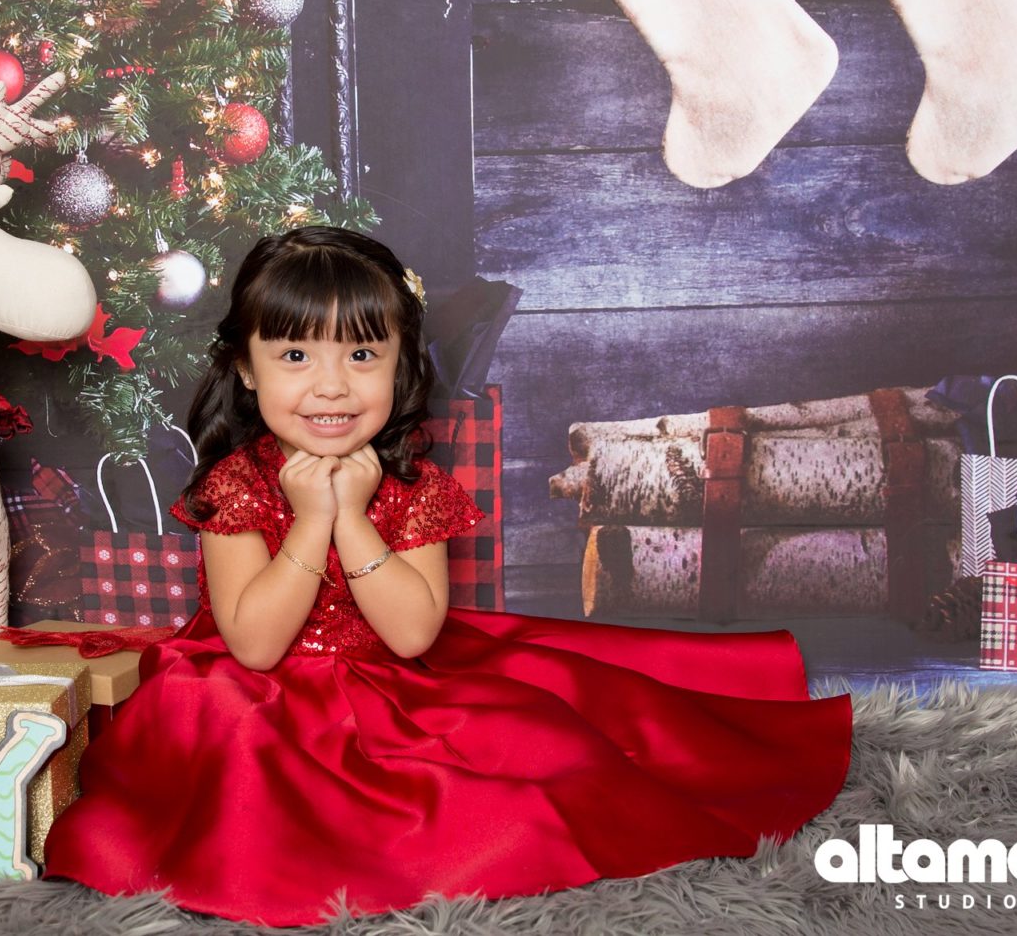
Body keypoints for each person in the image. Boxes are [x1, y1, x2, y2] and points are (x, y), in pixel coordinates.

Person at [43, 227, 853, 926]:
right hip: (258, 688)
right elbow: (254, 645)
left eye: (362, 354)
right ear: (247, 370)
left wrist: (352, 516)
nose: (331, 384)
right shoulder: (236, 484)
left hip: (391, 676)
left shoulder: (413, 484)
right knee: (233, 742)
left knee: (540, 761)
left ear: (399, 365)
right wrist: (311, 518)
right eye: (294, 355)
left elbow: (411, 633)